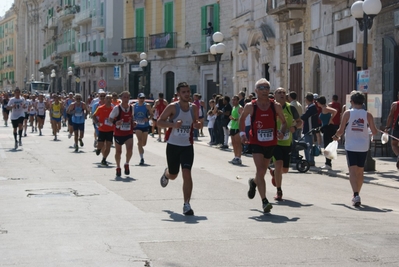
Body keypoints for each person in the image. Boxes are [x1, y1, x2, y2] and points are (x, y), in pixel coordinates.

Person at [239, 78, 287, 213]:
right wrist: (243, 134)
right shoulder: (250, 106)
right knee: (261, 170)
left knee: (262, 172)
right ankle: (265, 201)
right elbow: (242, 119)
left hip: (271, 142)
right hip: (256, 142)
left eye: (267, 88)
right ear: (256, 91)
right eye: (261, 88)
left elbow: (284, 122)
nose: (265, 90)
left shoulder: (275, 106)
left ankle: (253, 182)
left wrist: (282, 132)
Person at [157, 82, 201, 216]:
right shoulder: (173, 107)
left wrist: (198, 125)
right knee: (174, 175)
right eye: (184, 92)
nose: (187, 94)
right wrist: (173, 125)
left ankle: (186, 205)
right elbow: (159, 122)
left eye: (188, 91)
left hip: (187, 146)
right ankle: (166, 174)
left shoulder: (193, 108)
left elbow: (197, 123)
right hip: (173, 145)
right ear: (178, 94)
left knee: (187, 173)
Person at [333, 92, 378, 206]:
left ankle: (356, 194)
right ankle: (357, 194)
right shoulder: (368, 115)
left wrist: (336, 136)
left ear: (351, 102)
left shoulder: (348, 113)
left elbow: (341, 130)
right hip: (363, 146)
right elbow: (375, 132)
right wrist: (367, 130)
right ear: (363, 102)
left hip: (351, 145)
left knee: (352, 170)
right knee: (360, 171)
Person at [271, 87, 302, 200]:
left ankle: (275, 173)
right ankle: (279, 191)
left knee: (284, 170)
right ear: (275, 95)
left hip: (287, 142)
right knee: (278, 164)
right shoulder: (271, 107)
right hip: (274, 142)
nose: (282, 94)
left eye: (284, 92)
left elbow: (300, 122)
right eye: (279, 92)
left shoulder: (290, 108)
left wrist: (294, 127)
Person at [109, 91, 135, 176]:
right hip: (118, 133)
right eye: (124, 97)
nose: (126, 99)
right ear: (121, 98)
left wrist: (134, 123)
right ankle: (118, 166)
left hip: (128, 132)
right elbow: (110, 119)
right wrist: (116, 122)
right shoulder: (117, 108)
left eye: (127, 97)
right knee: (118, 152)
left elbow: (132, 118)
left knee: (130, 149)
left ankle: (127, 163)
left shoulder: (131, 108)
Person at [316, 96, 337, 170]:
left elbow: (335, 111)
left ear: (319, 102)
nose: (317, 103)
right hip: (325, 128)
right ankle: (328, 163)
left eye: (317, 102)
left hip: (328, 128)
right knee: (326, 145)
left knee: (327, 146)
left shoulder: (325, 108)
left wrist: (331, 119)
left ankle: (328, 164)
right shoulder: (324, 108)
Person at [92, 94, 114, 166]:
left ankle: (104, 159)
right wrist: (97, 122)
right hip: (102, 129)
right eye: (107, 98)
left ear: (111, 100)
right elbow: (94, 116)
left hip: (110, 130)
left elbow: (117, 117)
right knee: (100, 145)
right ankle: (98, 149)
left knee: (108, 146)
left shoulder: (114, 109)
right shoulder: (100, 108)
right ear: (105, 100)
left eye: (110, 99)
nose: (108, 100)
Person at [133, 93, 153, 165]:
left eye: (143, 98)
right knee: (139, 141)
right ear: (137, 98)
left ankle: (141, 147)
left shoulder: (147, 105)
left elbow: (151, 114)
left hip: (145, 125)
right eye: (140, 98)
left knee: (143, 143)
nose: (142, 100)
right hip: (138, 126)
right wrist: (133, 121)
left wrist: (148, 118)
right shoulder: (134, 106)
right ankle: (141, 158)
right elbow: (132, 115)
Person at [300, 93, 319, 166]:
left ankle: (310, 160)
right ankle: (309, 160)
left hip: (309, 129)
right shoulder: (311, 107)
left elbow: (305, 117)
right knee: (309, 145)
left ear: (307, 99)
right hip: (309, 128)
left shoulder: (311, 108)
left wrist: (299, 117)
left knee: (308, 146)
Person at [384, 91, 399, 169]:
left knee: (394, 144)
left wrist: (387, 127)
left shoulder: (395, 105)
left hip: (396, 129)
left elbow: (390, 116)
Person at [288, 91, 303, 161]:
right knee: (297, 141)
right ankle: (296, 154)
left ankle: (294, 156)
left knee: (293, 142)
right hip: (299, 126)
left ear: (290, 97)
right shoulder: (299, 104)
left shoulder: (291, 105)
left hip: (294, 125)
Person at [228, 95, 243, 165]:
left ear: (238, 101)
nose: (233, 101)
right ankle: (235, 156)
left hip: (238, 128)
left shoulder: (240, 108)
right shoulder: (233, 107)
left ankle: (239, 158)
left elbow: (243, 118)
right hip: (233, 127)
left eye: (234, 100)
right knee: (234, 143)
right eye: (232, 100)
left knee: (238, 143)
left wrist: (235, 119)